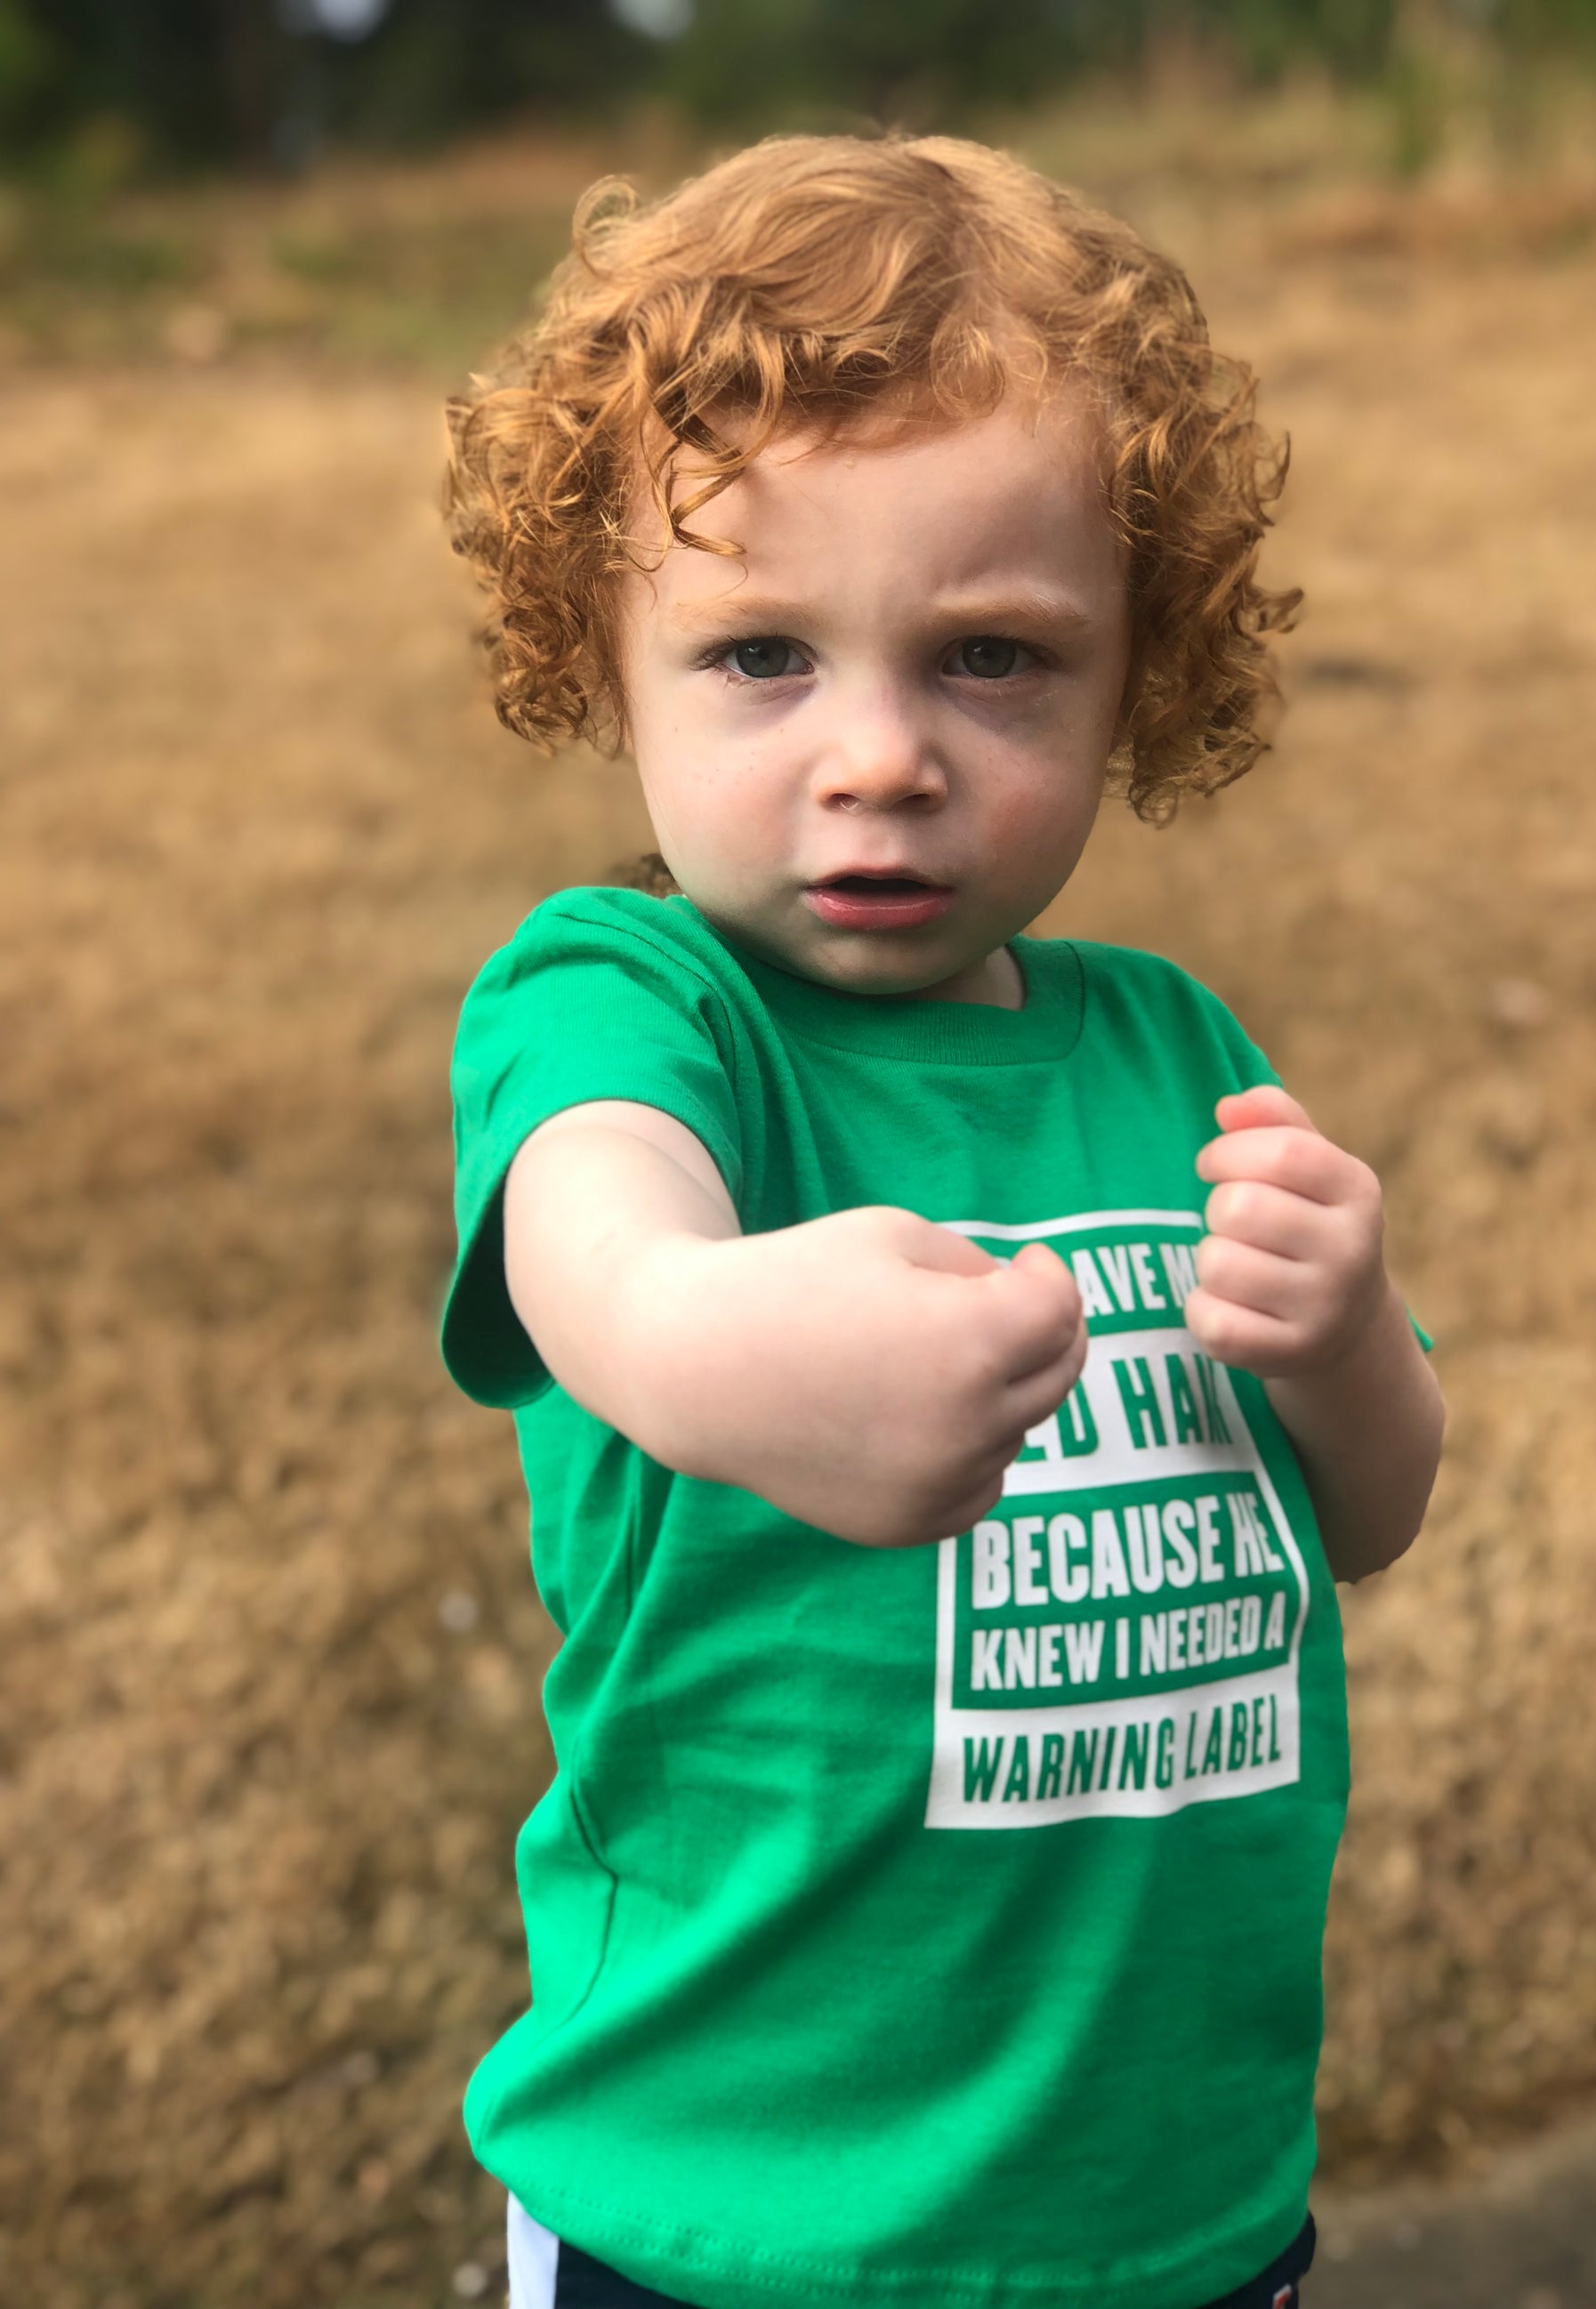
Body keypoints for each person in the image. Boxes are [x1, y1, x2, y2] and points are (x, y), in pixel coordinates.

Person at [440, 133, 1444, 2309]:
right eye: (761, 657)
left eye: (989, 659)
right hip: (739, 2201)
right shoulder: (633, 1007)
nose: (878, 753)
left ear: (1130, 680)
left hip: (1165, 2190)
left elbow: (1368, 1508)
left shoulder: (1169, 1049)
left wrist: (1346, 1331)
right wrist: (732, 1348)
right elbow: (598, 1251)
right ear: (598, 661)